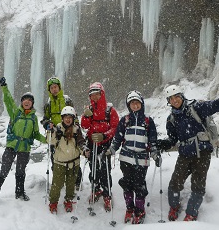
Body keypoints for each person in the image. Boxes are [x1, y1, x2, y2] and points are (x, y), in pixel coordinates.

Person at [157, 82, 219, 221]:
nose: (174, 100)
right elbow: (173, 139)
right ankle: (174, 206)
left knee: (198, 185)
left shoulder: (196, 107)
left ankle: (191, 213)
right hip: (185, 154)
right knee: (175, 183)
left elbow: (215, 105)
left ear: (181, 96)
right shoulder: (172, 119)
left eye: (176, 97)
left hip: (202, 153)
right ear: (168, 102)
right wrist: (164, 143)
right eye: (171, 99)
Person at [0, 77, 47, 205]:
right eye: (25, 100)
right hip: (12, 146)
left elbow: (36, 134)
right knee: (4, 170)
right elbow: (8, 101)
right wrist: (4, 87)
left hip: (24, 148)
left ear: (32, 104)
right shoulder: (16, 113)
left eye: (29, 100)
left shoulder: (33, 118)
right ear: (22, 102)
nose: (27, 102)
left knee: (21, 171)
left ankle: (19, 192)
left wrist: (47, 140)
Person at [106, 91, 160, 224]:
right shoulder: (125, 120)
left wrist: (154, 153)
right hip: (125, 158)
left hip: (142, 159)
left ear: (141, 104)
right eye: (132, 103)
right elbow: (117, 138)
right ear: (129, 105)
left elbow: (152, 140)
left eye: (137, 103)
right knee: (127, 184)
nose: (135, 106)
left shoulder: (148, 121)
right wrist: (111, 149)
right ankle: (129, 208)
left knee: (139, 185)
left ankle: (139, 210)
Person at [81, 82, 119, 211]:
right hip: (92, 143)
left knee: (105, 169)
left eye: (97, 94)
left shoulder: (110, 110)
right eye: (92, 95)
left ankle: (107, 194)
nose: (95, 97)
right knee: (93, 168)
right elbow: (84, 126)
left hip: (105, 143)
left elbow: (115, 127)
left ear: (101, 94)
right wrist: (86, 116)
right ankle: (95, 189)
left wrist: (104, 135)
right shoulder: (90, 109)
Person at [40, 76, 82, 189]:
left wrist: (77, 127)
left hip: (70, 132)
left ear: (59, 87)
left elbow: (74, 114)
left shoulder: (67, 100)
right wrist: (47, 124)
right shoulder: (48, 104)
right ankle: (59, 179)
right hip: (56, 134)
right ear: (49, 90)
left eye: (56, 87)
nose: (54, 89)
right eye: (52, 88)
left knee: (74, 156)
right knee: (56, 158)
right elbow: (45, 118)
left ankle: (77, 180)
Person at [48, 106, 88, 214]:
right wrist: (51, 131)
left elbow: (81, 142)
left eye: (70, 117)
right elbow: (50, 142)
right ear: (62, 118)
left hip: (73, 163)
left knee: (71, 184)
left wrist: (84, 150)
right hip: (59, 162)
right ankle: (53, 202)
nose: (68, 119)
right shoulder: (57, 128)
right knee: (57, 184)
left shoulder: (76, 130)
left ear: (73, 118)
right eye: (66, 117)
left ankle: (68, 200)